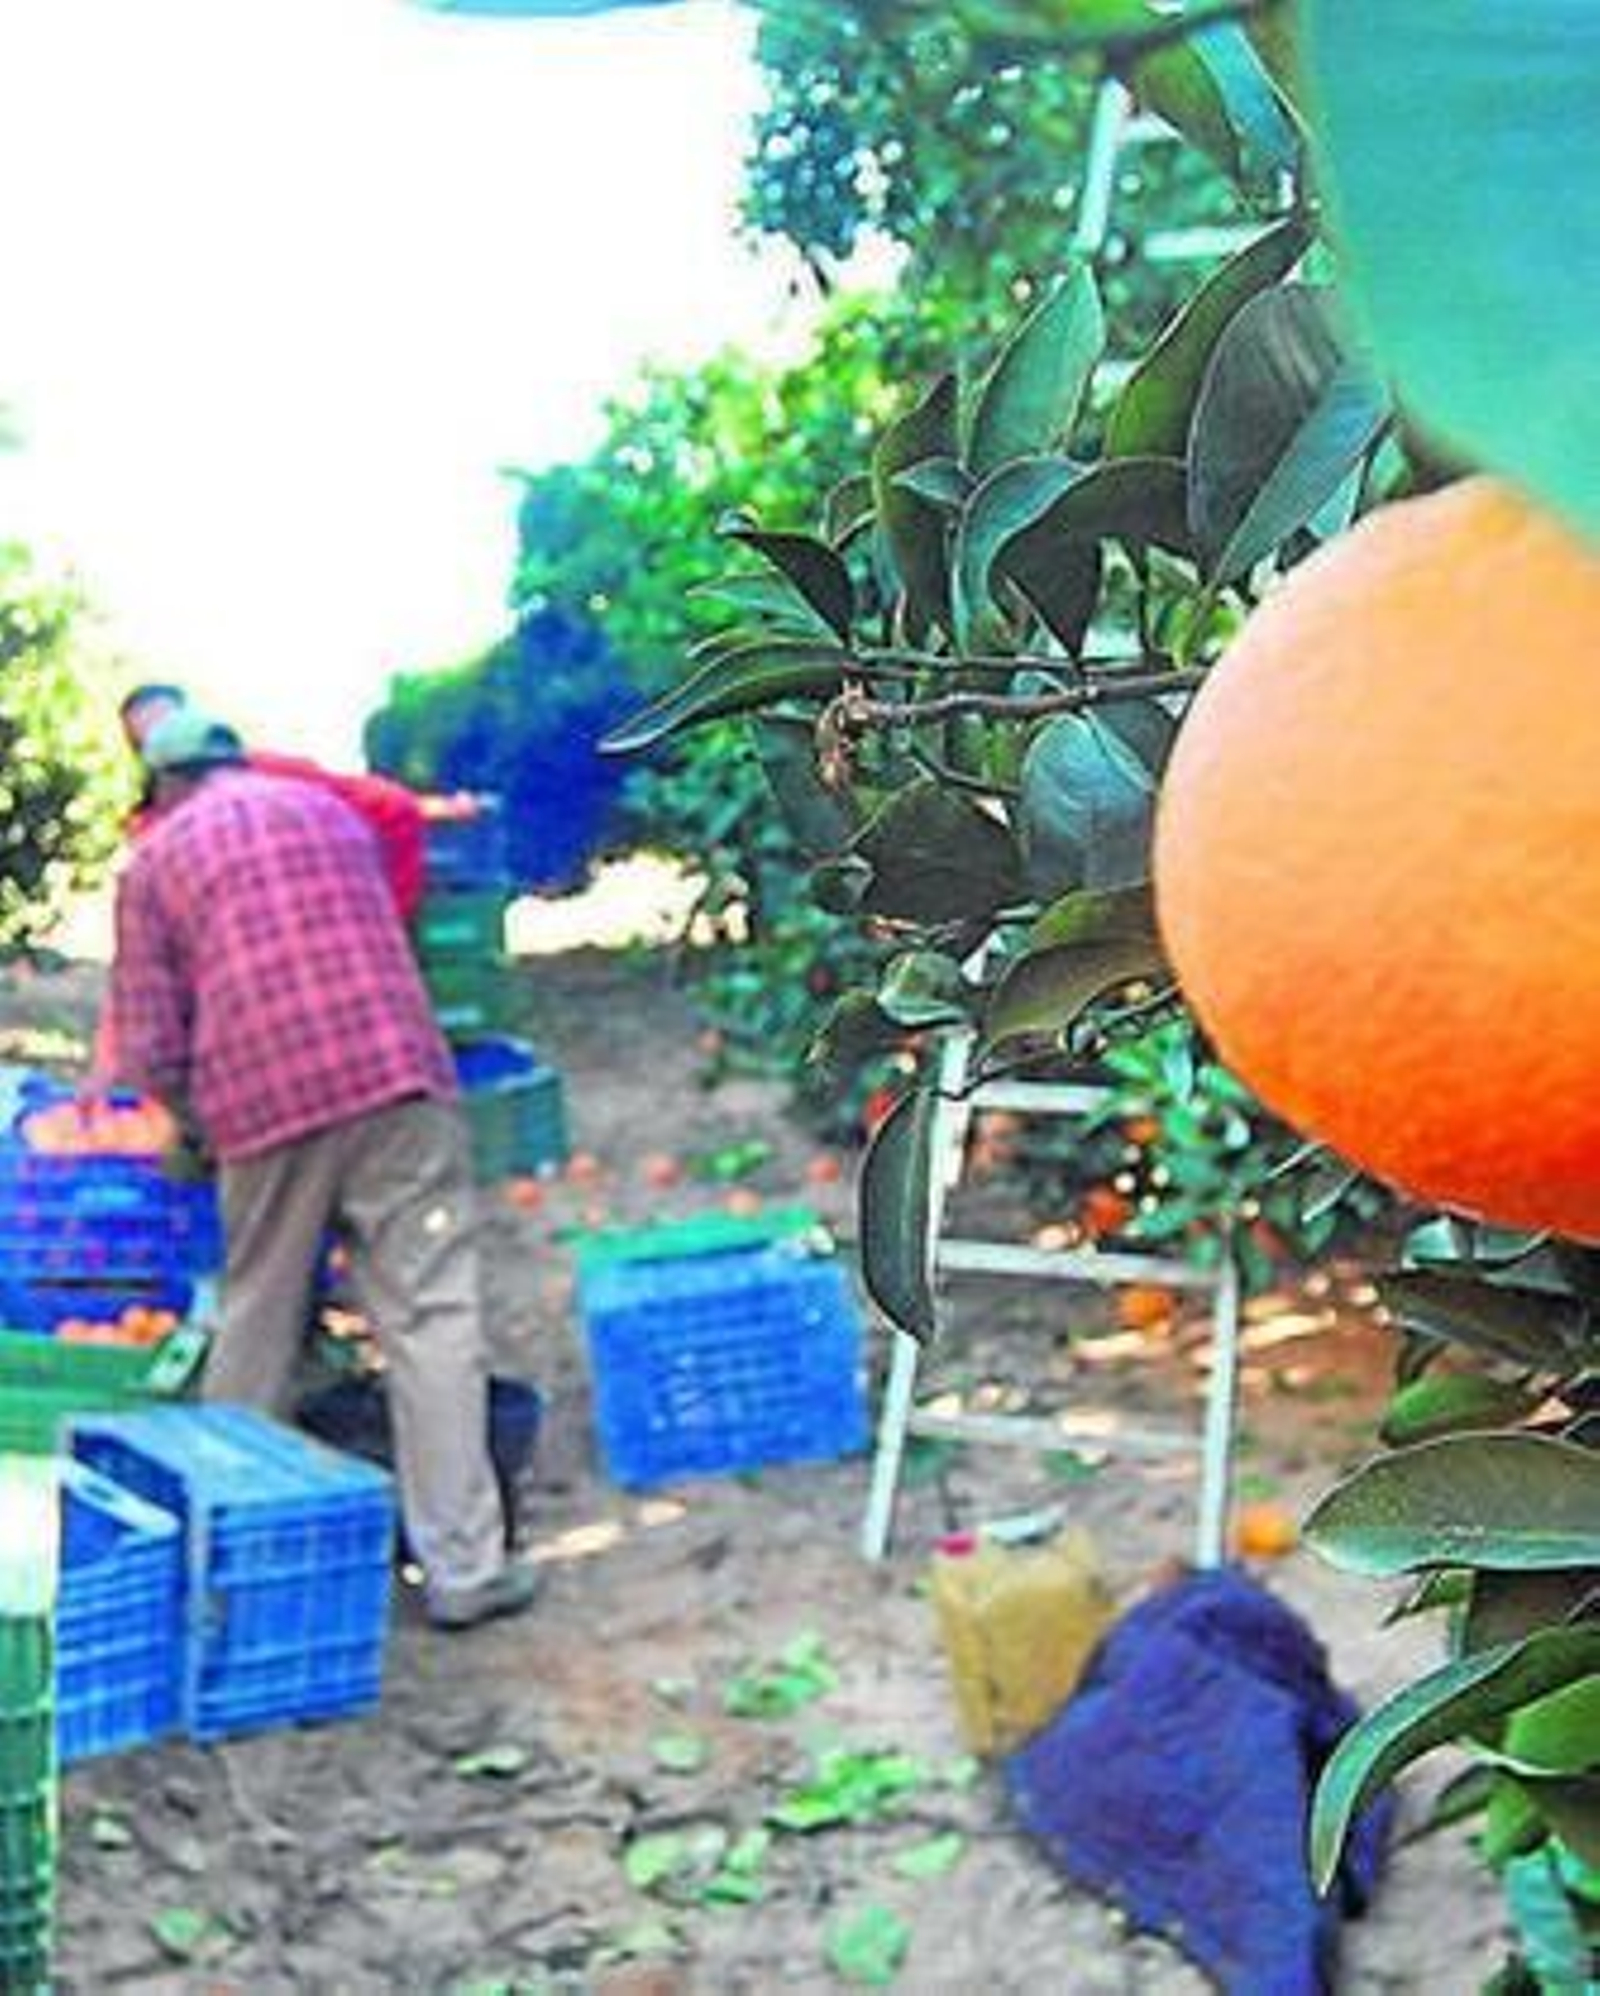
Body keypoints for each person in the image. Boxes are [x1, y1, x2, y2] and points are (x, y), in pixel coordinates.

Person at [105, 707, 535, 1631]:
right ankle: (463, 1568)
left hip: (263, 1103)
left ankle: (230, 1572)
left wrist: (185, 1124)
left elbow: (145, 1038)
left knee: (256, 1320)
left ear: (164, 786)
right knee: (430, 1318)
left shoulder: (155, 860)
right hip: (397, 1077)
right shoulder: (325, 812)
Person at [118, 683, 428, 922]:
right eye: (150, 740)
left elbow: (392, 806)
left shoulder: (274, 773)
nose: (167, 743)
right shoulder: (148, 833)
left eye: (172, 728)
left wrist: (380, 918)